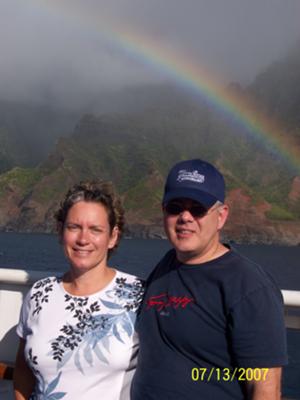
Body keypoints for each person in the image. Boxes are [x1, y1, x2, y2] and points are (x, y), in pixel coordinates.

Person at [131, 159, 288, 400]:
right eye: (175, 207)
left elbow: (265, 389)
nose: (185, 217)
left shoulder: (249, 286)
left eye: (198, 208)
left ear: (221, 216)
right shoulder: (165, 266)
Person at [13, 181, 144, 400]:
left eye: (95, 230)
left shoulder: (138, 295)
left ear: (112, 237)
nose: (83, 239)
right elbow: (23, 368)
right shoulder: (39, 295)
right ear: (60, 231)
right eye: (74, 227)